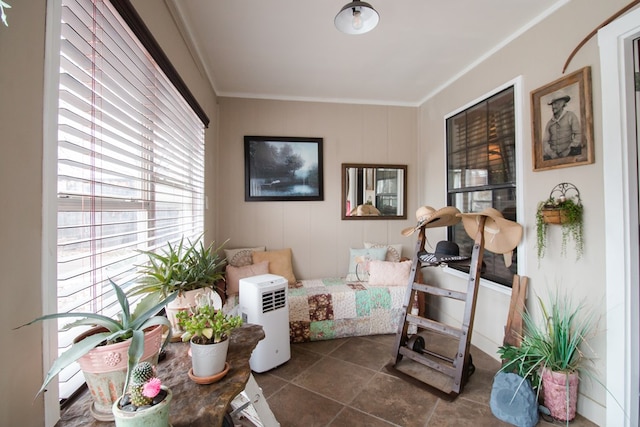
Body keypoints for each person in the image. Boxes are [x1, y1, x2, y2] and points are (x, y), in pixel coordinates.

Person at [542, 92, 582, 159]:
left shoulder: (570, 116)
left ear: (562, 104)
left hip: (569, 154)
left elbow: (578, 135)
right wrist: (551, 153)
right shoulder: (549, 123)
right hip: (553, 157)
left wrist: (569, 149)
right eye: (552, 104)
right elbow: (545, 142)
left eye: (556, 103)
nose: (553, 107)